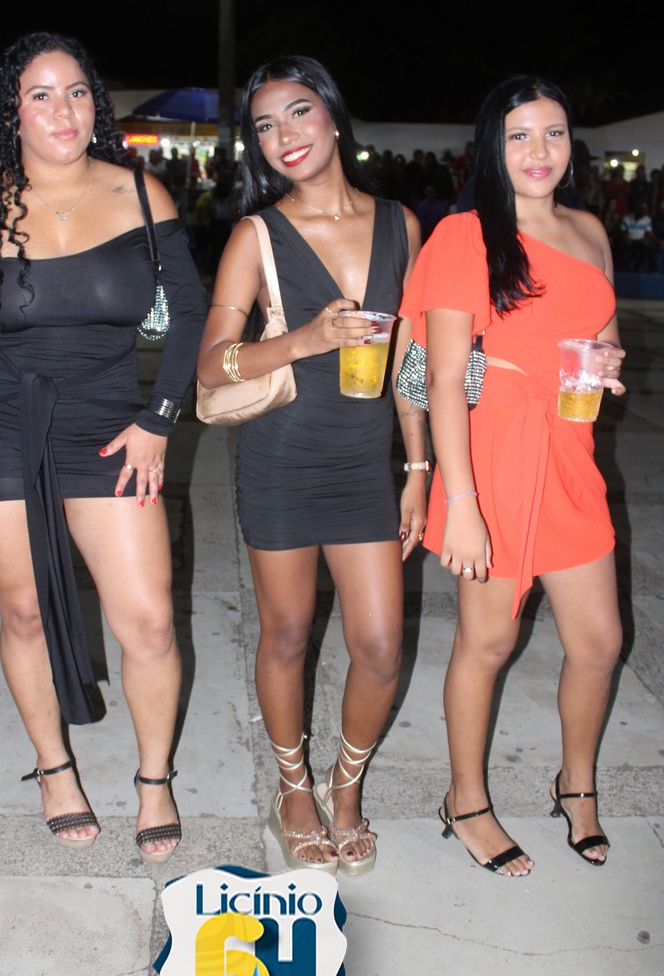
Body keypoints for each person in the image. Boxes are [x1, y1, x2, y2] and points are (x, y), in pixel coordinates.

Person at [0, 32, 206, 860]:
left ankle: (155, 778)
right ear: (13, 112)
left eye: (75, 91)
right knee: (24, 609)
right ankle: (53, 768)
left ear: (94, 103)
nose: (61, 110)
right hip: (1, 420)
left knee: (149, 622)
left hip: (112, 425)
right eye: (39, 95)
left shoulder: (141, 193)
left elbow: (190, 313)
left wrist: (159, 420)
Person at [197, 55, 426, 876]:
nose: (283, 135)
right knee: (287, 633)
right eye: (265, 125)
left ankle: (346, 785)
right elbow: (211, 364)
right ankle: (294, 790)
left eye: (298, 112)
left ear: (332, 115)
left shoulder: (402, 225)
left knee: (380, 647)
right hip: (284, 459)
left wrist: (420, 468)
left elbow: (411, 361)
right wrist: (304, 340)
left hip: (365, 466)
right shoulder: (256, 235)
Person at [400, 74, 625, 875]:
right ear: (492, 147)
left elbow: (602, 337)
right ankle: (465, 800)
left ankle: (576, 785)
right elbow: (441, 379)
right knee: (488, 641)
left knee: (599, 642)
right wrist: (459, 502)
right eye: (519, 135)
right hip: (491, 459)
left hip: (569, 454)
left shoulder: (589, 232)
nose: (539, 151)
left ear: (572, 145)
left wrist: (607, 367)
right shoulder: (466, 236)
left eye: (554, 133)